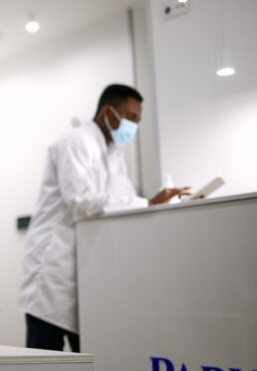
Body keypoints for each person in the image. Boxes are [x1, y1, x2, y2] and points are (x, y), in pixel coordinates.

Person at [18, 84, 190, 352]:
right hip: (54, 270)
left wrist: (151, 205)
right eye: (130, 117)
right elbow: (82, 202)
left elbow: (123, 202)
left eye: (137, 121)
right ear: (108, 112)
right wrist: (147, 202)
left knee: (88, 356)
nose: (133, 126)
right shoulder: (75, 141)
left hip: (90, 273)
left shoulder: (114, 155)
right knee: (45, 359)